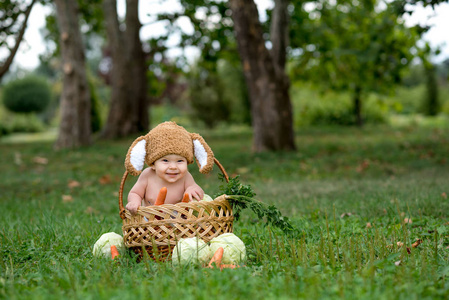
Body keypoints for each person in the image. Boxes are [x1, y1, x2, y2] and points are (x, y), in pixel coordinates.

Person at [123, 121, 215, 214]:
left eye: (180, 161)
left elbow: (197, 190)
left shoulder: (185, 177)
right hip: (150, 222)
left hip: (179, 223)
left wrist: (193, 189)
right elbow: (135, 193)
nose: (173, 167)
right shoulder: (147, 175)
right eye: (165, 161)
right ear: (153, 164)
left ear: (187, 163)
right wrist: (134, 202)